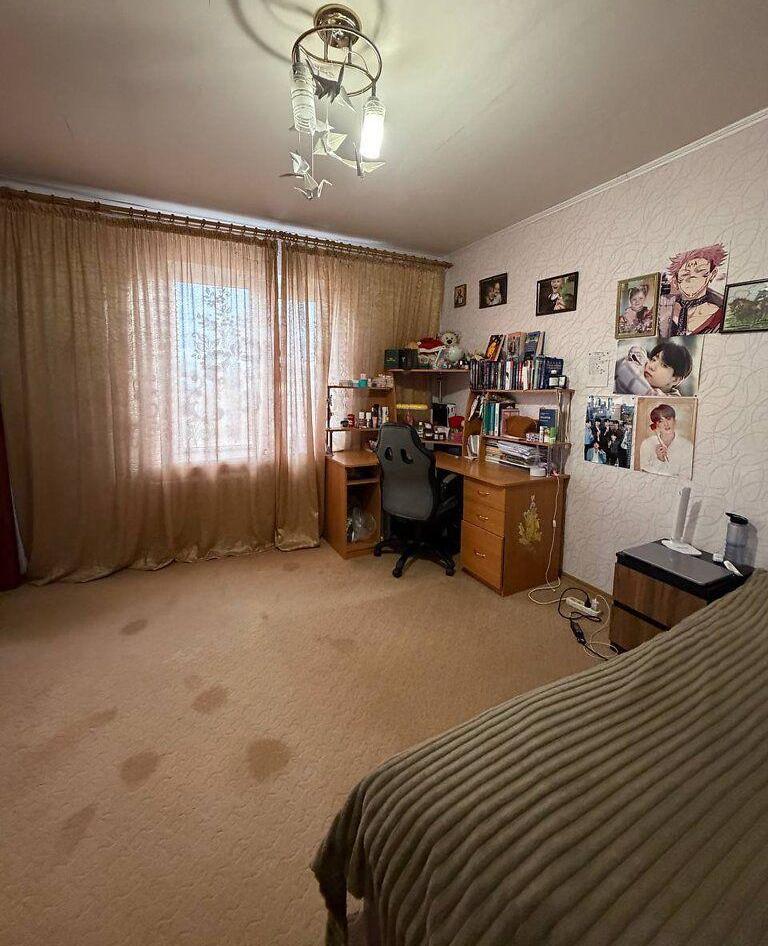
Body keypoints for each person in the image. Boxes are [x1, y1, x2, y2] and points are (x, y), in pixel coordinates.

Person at [665, 244, 727, 335]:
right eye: (685, 274)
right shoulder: (666, 309)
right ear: (675, 281)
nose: (691, 279)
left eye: (700, 271)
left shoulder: (719, 314)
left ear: (712, 274)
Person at [614, 340, 693, 396]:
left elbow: (625, 369)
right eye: (653, 359)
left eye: (664, 365)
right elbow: (636, 350)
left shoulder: (672, 403)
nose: (651, 366)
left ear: (675, 379)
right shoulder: (641, 372)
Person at [638, 403, 694, 478]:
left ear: (675, 421)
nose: (666, 424)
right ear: (656, 425)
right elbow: (644, 475)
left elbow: (686, 477)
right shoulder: (647, 444)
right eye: (660, 421)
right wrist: (659, 460)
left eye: (668, 419)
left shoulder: (688, 446)